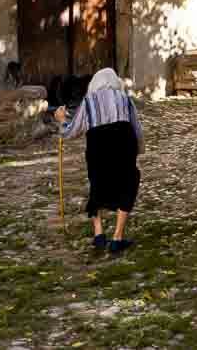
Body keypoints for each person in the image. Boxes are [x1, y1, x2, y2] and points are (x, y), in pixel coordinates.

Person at [53, 67, 142, 254]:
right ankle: (117, 238)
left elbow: (72, 131)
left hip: (98, 144)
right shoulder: (124, 98)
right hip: (124, 141)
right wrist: (139, 148)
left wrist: (61, 121)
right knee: (127, 183)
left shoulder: (89, 101)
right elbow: (136, 126)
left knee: (97, 184)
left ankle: (99, 234)